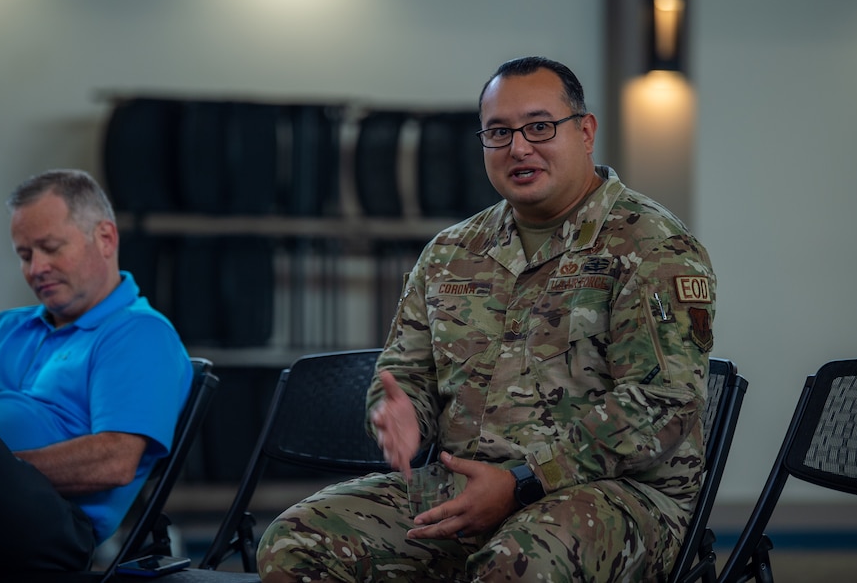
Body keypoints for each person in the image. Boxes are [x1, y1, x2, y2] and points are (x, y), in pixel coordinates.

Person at [255, 56, 717, 582]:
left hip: (619, 498)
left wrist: (525, 479)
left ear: (585, 132)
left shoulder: (652, 245)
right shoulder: (451, 251)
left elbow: (663, 404)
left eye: (540, 126)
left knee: (518, 564)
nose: (519, 147)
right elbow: (405, 374)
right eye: (499, 132)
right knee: (297, 539)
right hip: (464, 487)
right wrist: (398, 413)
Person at [0, 168, 192, 574]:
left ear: (105, 238)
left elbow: (115, 461)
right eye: (25, 255)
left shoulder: (139, 332)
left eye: (50, 247)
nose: (36, 268)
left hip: (54, 526)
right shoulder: (6, 327)